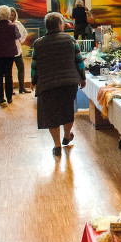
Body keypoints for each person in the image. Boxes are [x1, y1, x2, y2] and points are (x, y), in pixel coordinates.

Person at [31, 12, 86, 157]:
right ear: (59, 25)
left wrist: (33, 81)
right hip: (68, 82)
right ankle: (67, 136)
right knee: (67, 111)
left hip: (47, 84)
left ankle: (56, 145)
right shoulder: (70, 39)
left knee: (51, 115)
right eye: (62, 22)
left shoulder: (38, 43)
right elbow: (79, 61)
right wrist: (83, 77)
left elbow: (34, 65)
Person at [10, 8, 31, 93]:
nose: (11, 16)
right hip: (9, 51)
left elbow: (25, 32)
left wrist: (21, 40)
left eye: (12, 15)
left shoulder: (18, 23)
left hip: (18, 50)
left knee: (21, 68)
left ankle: (22, 87)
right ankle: (10, 89)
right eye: (9, 14)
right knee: (8, 71)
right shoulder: (6, 24)